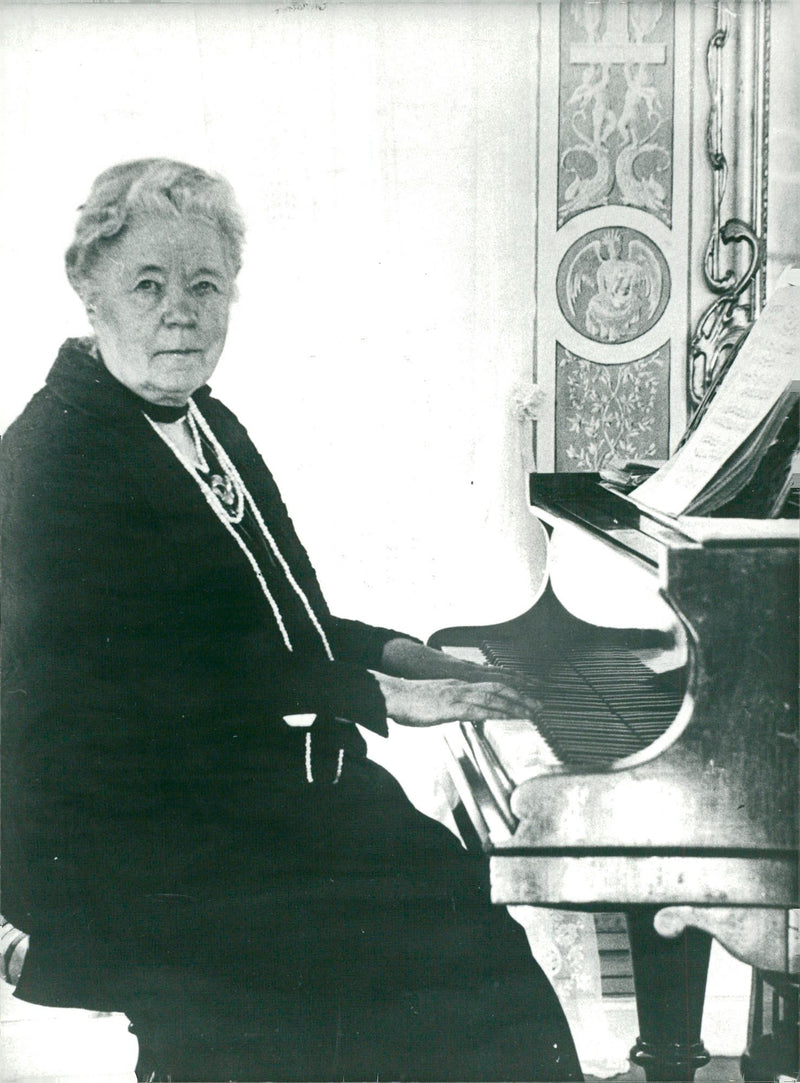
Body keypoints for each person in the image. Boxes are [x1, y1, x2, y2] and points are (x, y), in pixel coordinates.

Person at [0, 159, 582, 1083]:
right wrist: (372, 693)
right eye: (147, 285)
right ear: (90, 292)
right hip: (140, 843)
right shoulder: (53, 461)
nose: (179, 311)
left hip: (244, 804)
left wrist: (407, 655)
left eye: (205, 284)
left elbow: (284, 621)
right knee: (449, 963)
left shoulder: (205, 425)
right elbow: (153, 682)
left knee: (461, 921)